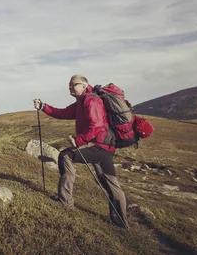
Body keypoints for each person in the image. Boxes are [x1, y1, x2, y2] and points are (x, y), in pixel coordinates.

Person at [33, 74, 128, 228]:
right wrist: (43, 106)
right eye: (69, 85)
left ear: (84, 85)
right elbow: (62, 113)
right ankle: (121, 222)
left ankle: (65, 202)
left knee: (65, 156)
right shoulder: (81, 102)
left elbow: (96, 126)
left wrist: (79, 141)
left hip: (98, 145)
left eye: (74, 84)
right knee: (109, 181)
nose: (70, 87)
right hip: (104, 146)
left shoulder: (91, 100)